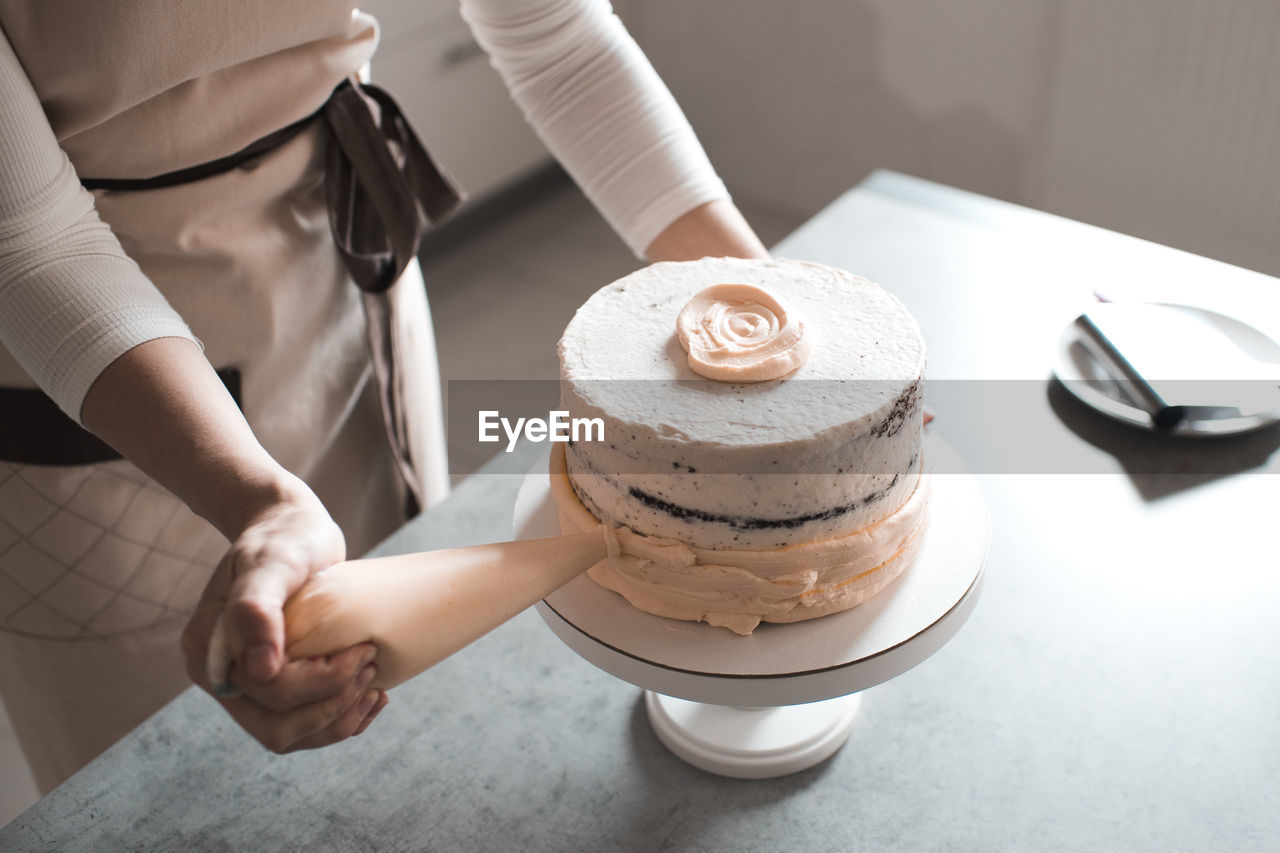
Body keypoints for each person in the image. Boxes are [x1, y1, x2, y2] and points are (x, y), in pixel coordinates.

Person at [0, 0, 768, 793]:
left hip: (341, 248)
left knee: (399, 714)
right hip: (102, 369)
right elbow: (32, 243)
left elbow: (555, 36)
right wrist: (261, 501)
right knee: (163, 785)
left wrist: (771, 307)